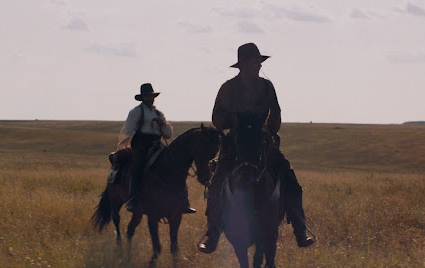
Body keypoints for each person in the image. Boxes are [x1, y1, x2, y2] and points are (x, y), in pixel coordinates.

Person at [198, 43, 314, 254]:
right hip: (235, 142)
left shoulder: (267, 87)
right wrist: (233, 121)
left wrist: (269, 131)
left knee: (290, 178)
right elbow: (216, 117)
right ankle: (212, 233)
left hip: (262, 142)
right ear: (243, 64)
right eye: (255, 61)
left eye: (259, 61)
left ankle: (300, 227)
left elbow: (276, 115)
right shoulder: (228, 88)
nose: (259, 65)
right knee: (216, 184)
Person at [118, 83, 196, 214]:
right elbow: (128, 130)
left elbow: (168, 134)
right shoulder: (136, 112)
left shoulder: (159, 113)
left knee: (175, 166)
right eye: (147, 96)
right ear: (142, 98)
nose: (150, 98)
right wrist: (123, 145)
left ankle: (183, 201)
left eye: (151, 96)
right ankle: (133, 199)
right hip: (141, 144)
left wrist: (163, 124)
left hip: (156, 143)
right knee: (137, 167)